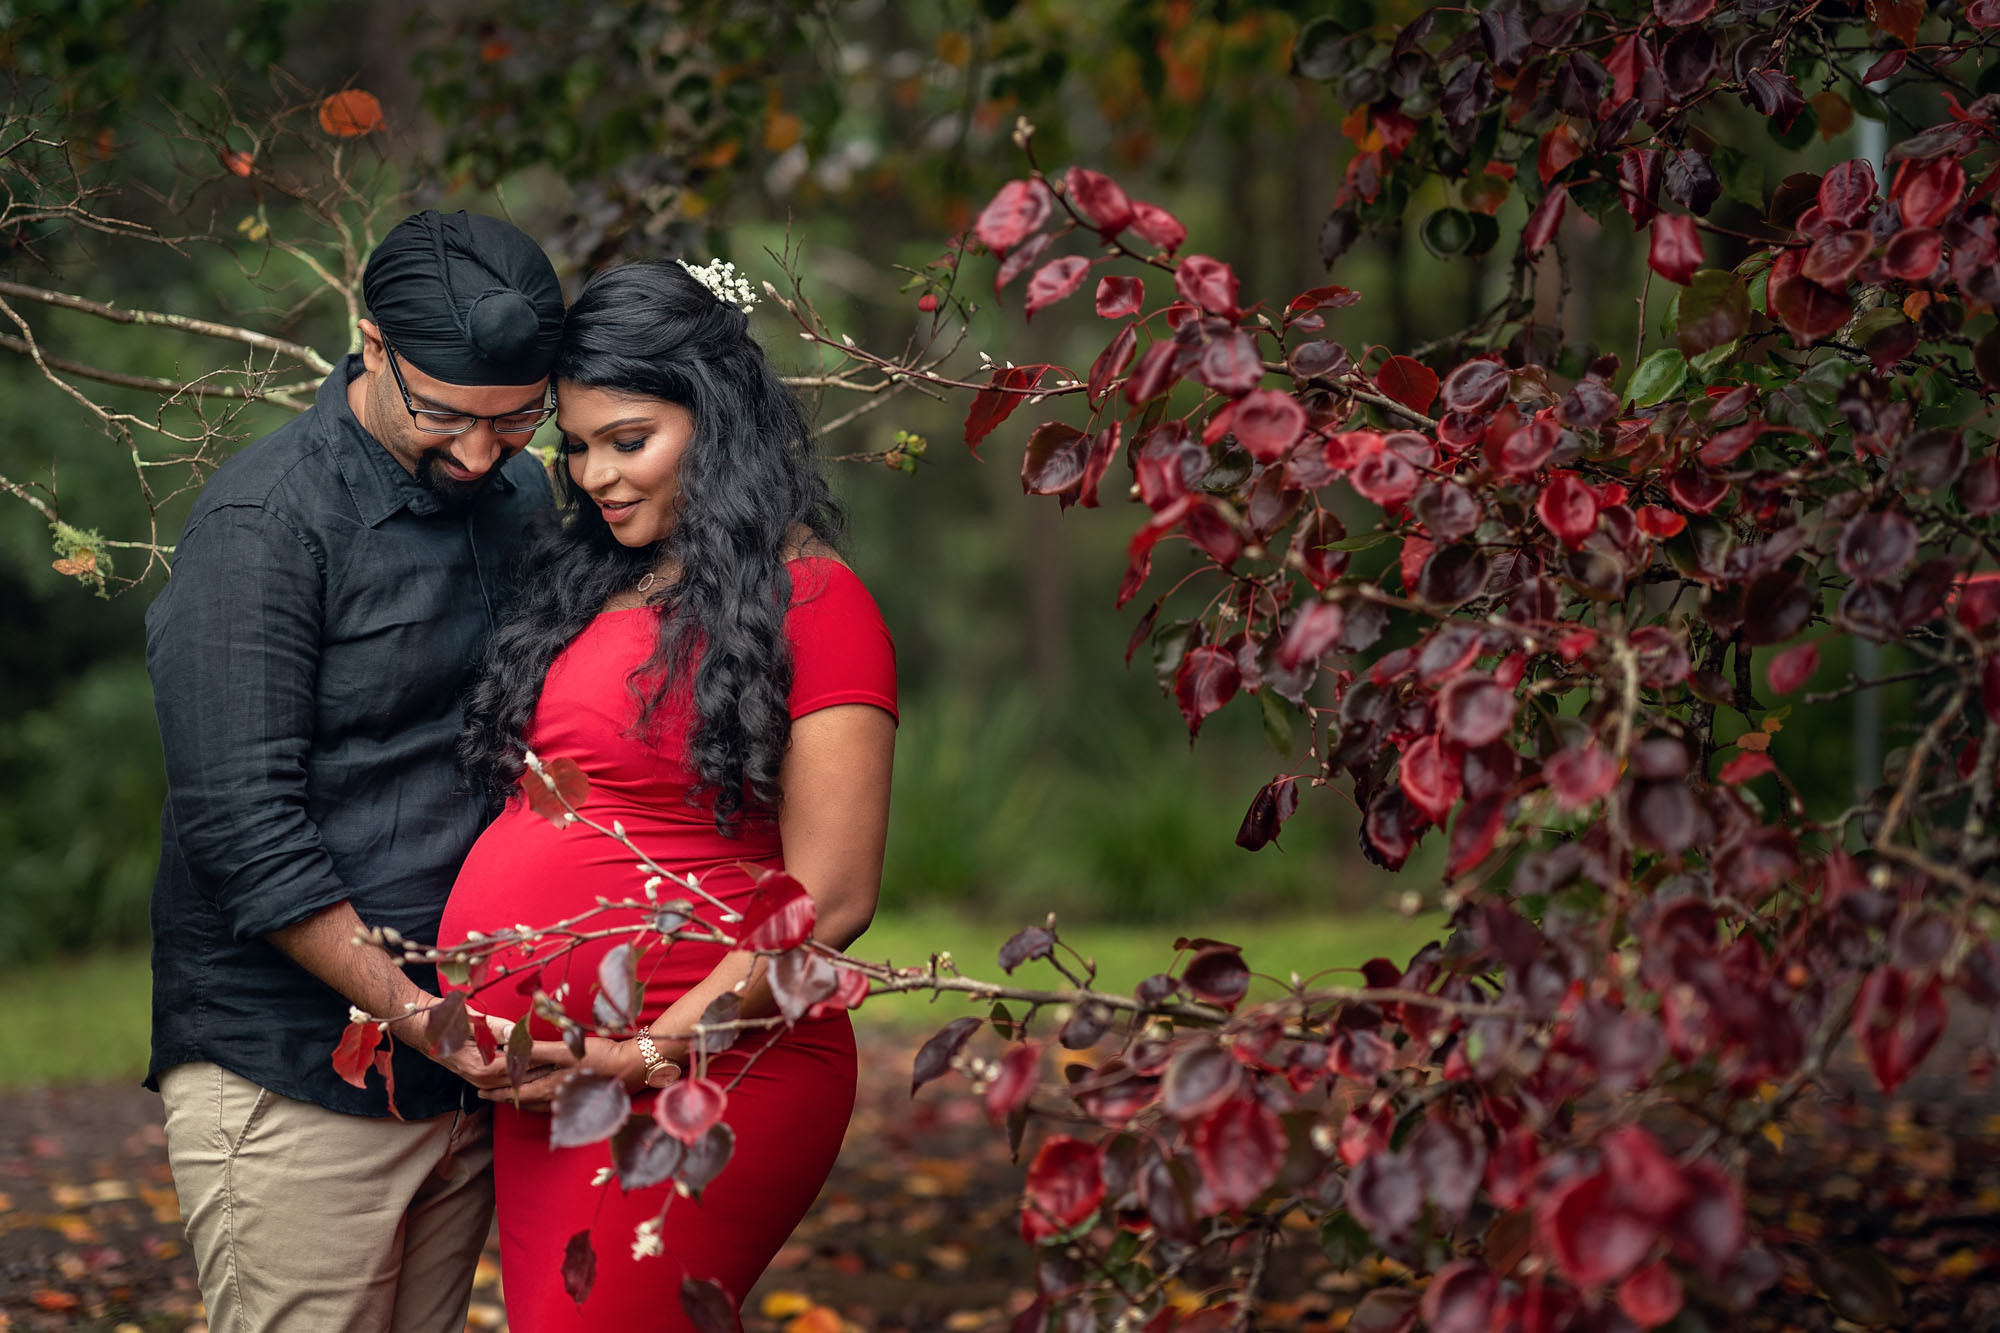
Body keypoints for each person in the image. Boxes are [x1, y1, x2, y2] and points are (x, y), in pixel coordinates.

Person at [446, 259, 897, 1329]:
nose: (596, 475)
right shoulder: (597, 580)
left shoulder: (815, 599)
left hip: (712, 1064)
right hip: (558, 1080)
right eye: (577, 446)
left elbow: (832, 901)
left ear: (716, 416)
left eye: (629, 440)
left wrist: (642, 1054)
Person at [146, 210, 575, 1333]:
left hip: (464, 1068)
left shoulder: (523, 497)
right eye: (445, 415)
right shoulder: (263, 524)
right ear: (371, 342)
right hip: (290, 1070)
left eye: (515, 419)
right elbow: (242, 830)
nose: (478, 454)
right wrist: (421, 1014)